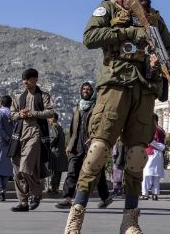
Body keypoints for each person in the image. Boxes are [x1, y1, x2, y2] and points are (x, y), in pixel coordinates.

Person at [65, 0, 170, 234]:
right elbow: (90, 36)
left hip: (144, 88)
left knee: (137, 154)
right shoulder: (110, 7)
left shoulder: (155, 19)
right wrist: (129, 32)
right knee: (99, 149)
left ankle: (130, 220)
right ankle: (76, 215)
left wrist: (158, 60)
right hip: (115, 84)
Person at [55, 81, 112, 210]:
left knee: (98, 172)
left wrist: (94, 138)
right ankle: (67, 198)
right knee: (72, 171)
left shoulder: (98, 107)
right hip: (77, 145)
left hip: (92, 145)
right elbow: (72, 128)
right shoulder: (77, 107)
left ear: (93, 92)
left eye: (88, 89)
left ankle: (105, 197)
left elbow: (102, 125)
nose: (85, 91)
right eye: (84, 89)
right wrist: (70, 144)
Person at [9, 68, 54, 212]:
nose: (25, 82)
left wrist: (32, 114)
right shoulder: (18, 97)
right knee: (18, 170)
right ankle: (23, 202)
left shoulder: (44, 96)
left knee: (25, 167)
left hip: (36, 134)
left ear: (35, 80)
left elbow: (50, 112)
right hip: (19, 136)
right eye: (23, 79)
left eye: (27, 79)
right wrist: (20, 115)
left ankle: (37, 192)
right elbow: (11, 115)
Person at [141, 114, 166, 201]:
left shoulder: (152, 129)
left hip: (151, 153)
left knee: (146, 175)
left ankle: (145, 194)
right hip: (159, 154)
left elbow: (151, 140)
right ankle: (155, 194)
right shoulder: (161, 130)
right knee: (156, 176)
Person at [47, 113, 68, 195]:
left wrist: (48, 144)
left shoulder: (54, 126)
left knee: (54, 171)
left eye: (49, 118)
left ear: (53, 118)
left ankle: (53, 188)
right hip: (60, 153)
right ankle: (55, 188)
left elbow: (54, 137)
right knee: (58, 172)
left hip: (55, 152)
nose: (48, 121)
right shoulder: (60, 127)